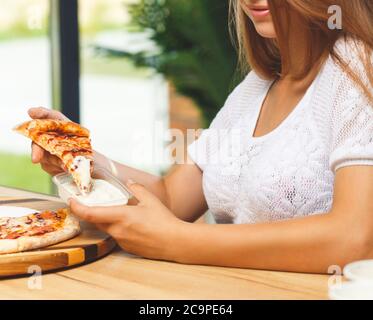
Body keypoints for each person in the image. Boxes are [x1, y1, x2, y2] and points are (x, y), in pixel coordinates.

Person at [28, 0, 373, 273]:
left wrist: (180, 241)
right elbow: (172, 198)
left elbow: (355, 238)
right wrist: (82, 158)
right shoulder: (257, 87)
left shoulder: (357, 69)